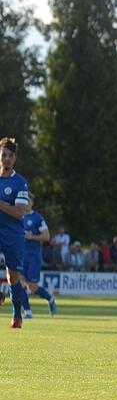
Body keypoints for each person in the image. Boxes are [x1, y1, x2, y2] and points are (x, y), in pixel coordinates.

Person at [0, 138, 31, 328]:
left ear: (15, 159)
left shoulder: (20, 183)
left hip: (12, 233)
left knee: (13, 276)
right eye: (3, 155)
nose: (7, 159)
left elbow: (19, 211)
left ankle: (17, 314)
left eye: (10, 155)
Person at [20, 192, 57, 318]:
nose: (26, 203)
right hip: (20, 256)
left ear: (32, 203)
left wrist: (31, 236)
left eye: (29, 201)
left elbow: (46, 236)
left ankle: (50, 298)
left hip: (34, 257)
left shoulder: (37, 218)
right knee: (17, 283)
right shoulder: (18, 217)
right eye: (25, 201)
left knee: (33, 287)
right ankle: (28, 312)